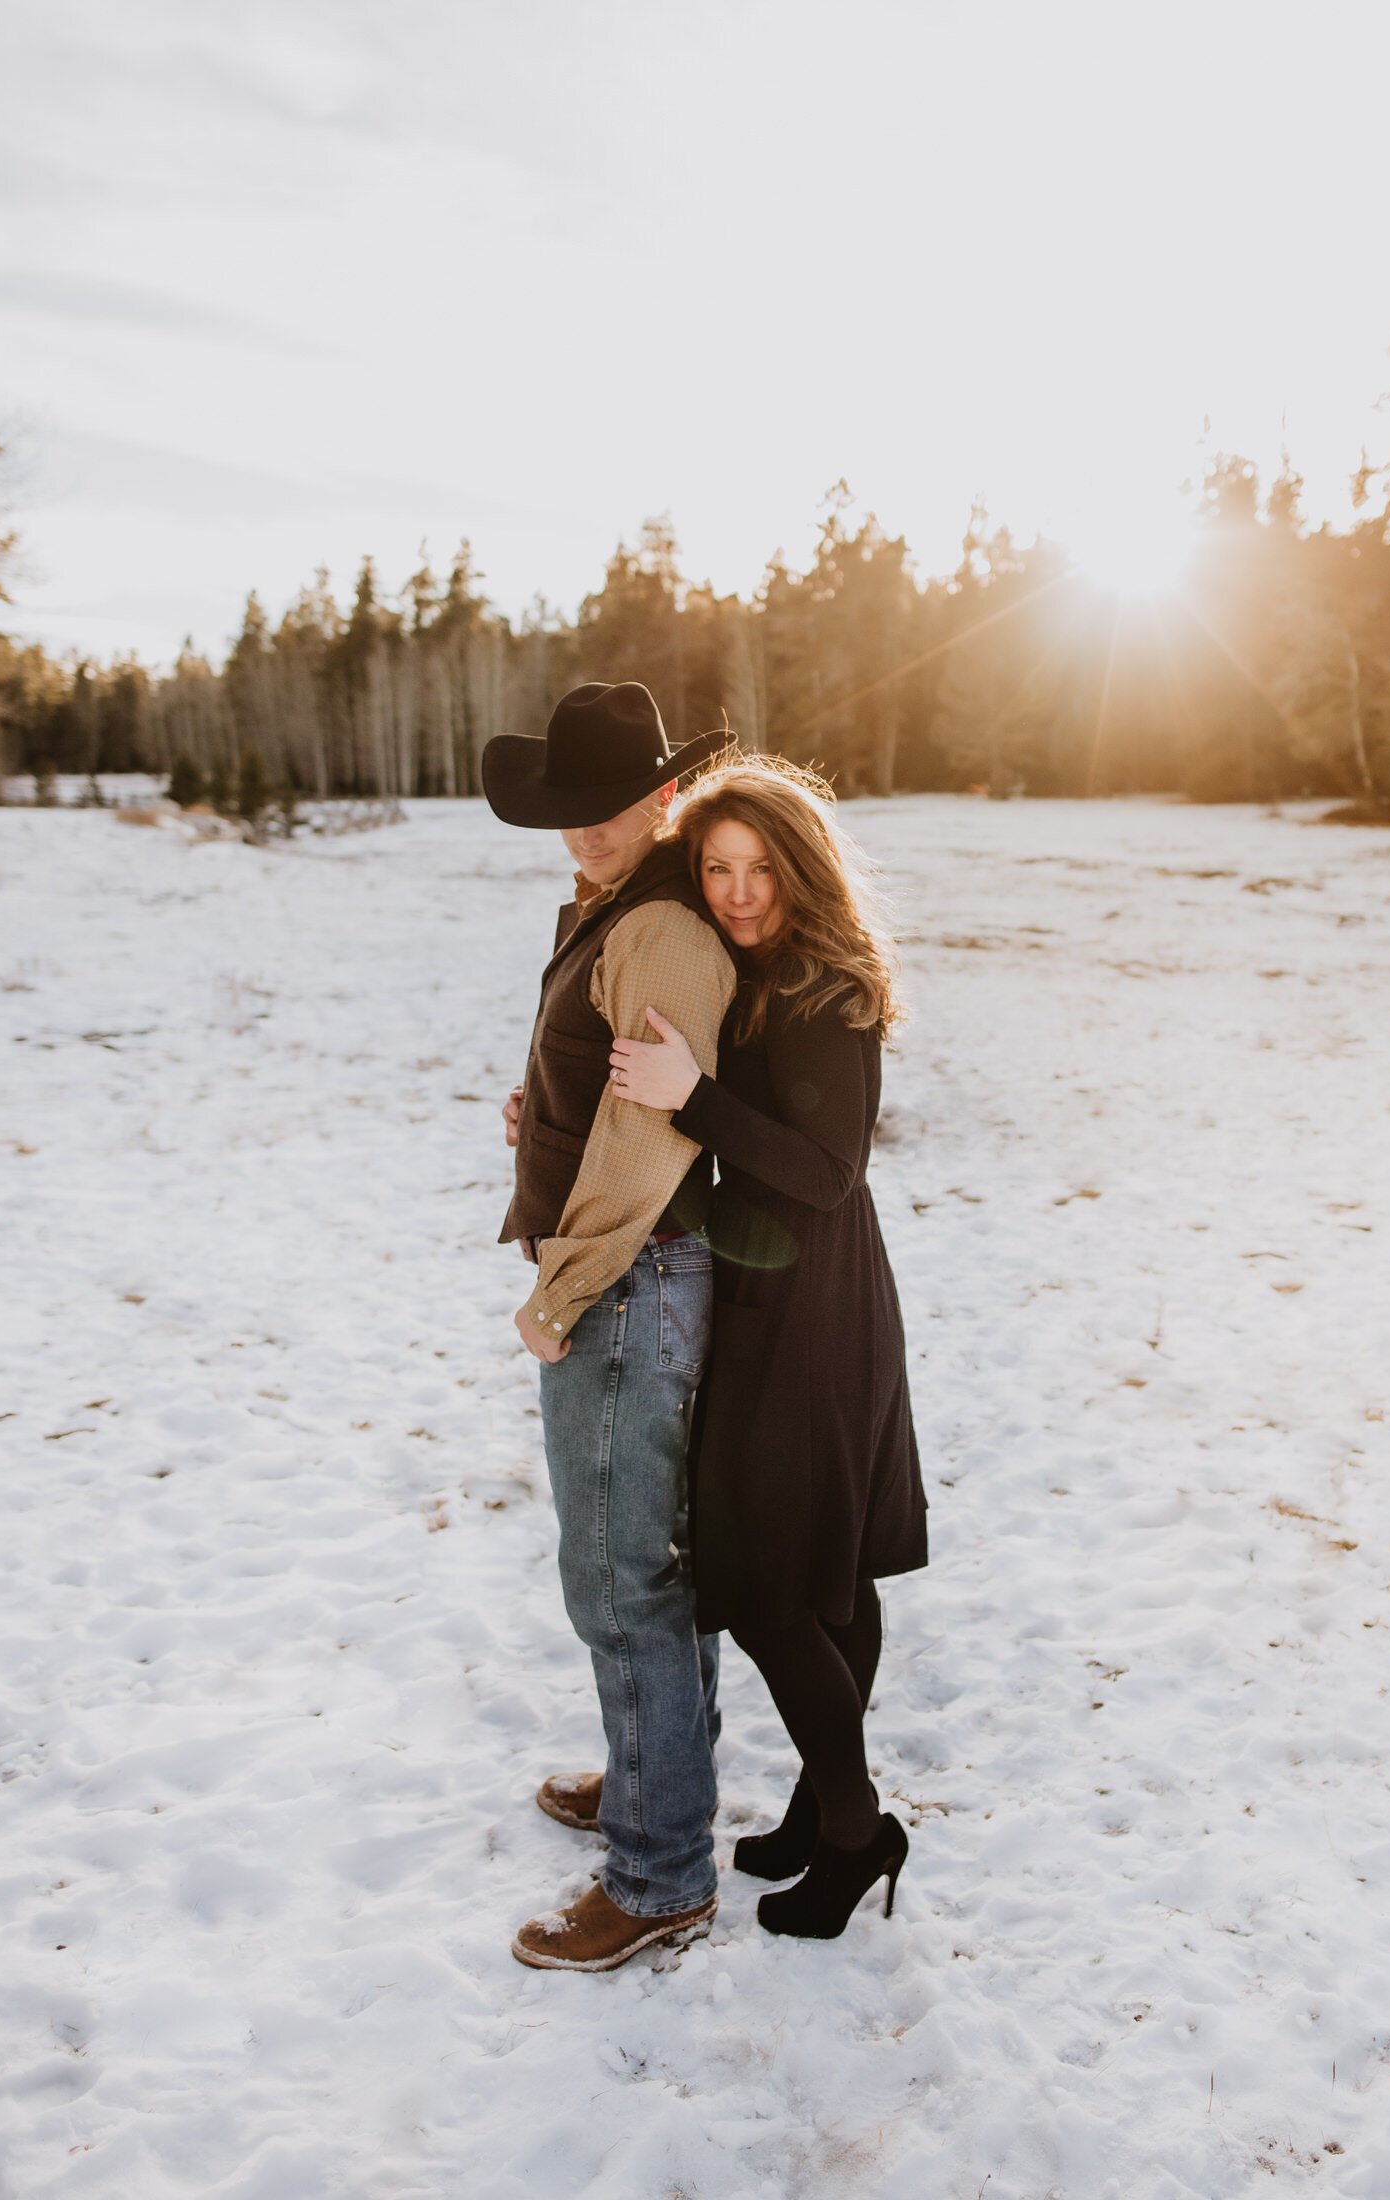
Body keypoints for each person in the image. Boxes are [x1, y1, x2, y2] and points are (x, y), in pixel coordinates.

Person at [609, 753, 928, 1940]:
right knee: (827, 1566)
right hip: (789, 1293)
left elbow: (826, 1168)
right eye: (715, 868)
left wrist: (693, 1093)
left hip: (814, 1308)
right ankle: (816, 1811)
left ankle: (854, 1834)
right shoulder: (749, 977)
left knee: (769, 1585)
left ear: (799, 869)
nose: (738, 892)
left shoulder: (822, 989)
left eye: (758, 868)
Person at [480, 680, 737, 1972]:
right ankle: (657, 1784)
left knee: (620, 1573)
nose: (585, 830)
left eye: (609, 807)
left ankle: (657, 1875)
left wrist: (561, 1288)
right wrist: (545, 1116)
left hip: (629, 1281)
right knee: (639, 1562)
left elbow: (649, 1146)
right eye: (570, 812)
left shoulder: (661, 929)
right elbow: (609, 1095)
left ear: (663, 796)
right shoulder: (612, 907)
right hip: (624, 1272)